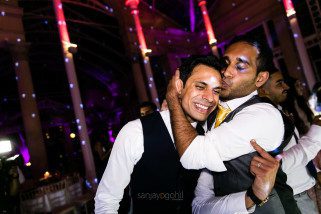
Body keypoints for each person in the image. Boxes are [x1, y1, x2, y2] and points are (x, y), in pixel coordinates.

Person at [94, 56, 278, 214]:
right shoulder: (136, 132)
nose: (209, 97)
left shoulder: (209, 136)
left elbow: (200, 205)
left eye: (216, 91)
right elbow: (106, 200)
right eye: (200, 86)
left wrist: (253, 196)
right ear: (179, 86)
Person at [166, 35, 299, 213]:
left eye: (240, 66)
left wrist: (173, 98)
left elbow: (193, 154)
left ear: (260, 79)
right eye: (225, 62)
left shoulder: (262, 115)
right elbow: (200, 202)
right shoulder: (215, 112)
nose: (226, 72)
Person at [259, 69, 321, 213]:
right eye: (279, 83)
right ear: (262, 89)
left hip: (306, 185)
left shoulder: (280, 109)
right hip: (295, 192)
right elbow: (277, 163)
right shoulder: (263, 118)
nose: (286, 87)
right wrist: (315, 133)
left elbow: (295, 146)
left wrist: (315, 169)